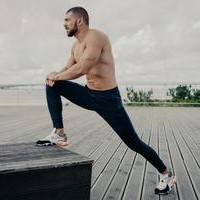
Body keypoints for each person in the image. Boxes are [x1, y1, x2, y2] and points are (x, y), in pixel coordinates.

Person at [35, 6, 177, 195]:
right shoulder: (75, 46)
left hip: (108, 99)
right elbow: (68, 68)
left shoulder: (96, 37)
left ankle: (165, 174)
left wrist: (57, 76)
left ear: (79, 21)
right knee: (52, 84)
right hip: (89, 94)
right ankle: (59, 133)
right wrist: (54, 75)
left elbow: (82, 68)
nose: (64, 24)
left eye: (67, 20)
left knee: (133, 142)